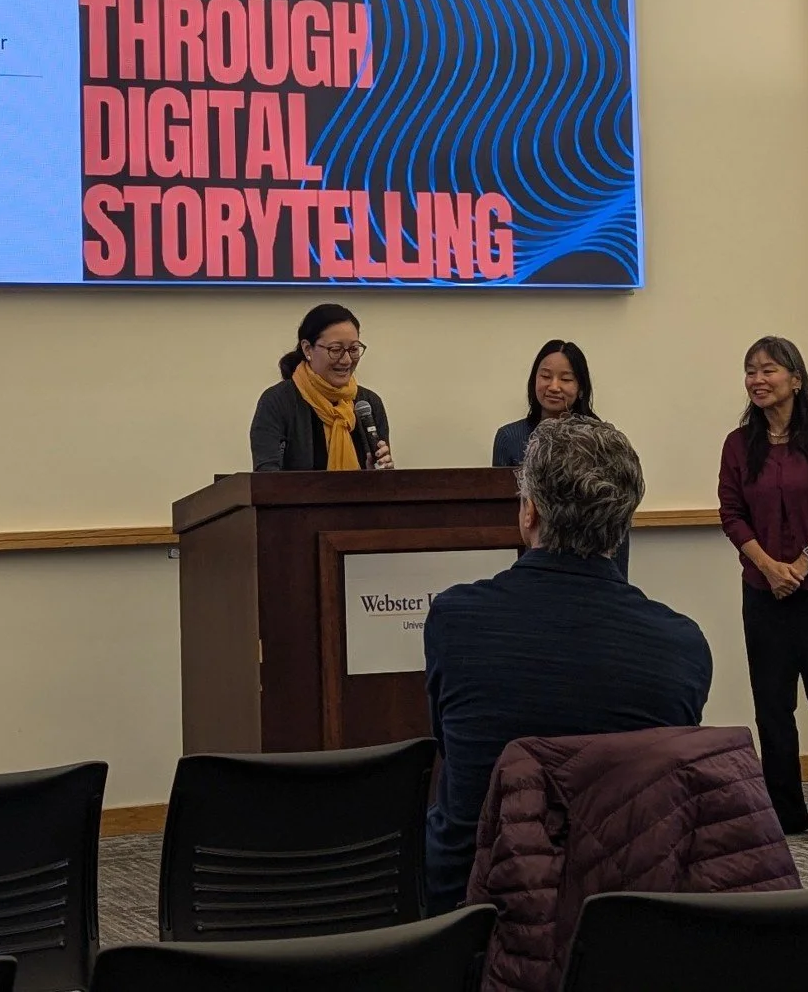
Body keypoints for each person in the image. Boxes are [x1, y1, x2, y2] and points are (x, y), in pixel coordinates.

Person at [423, 418, 712, 912]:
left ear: (530, 512)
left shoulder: (456, 621)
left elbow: (451, 753)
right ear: (623, 525)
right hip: (618, 925)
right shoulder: (682, 647)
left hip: (475, 917)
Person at [717, 335, 808, 845]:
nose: (757, 380)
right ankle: (785, 810)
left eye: (769, 370)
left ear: (796, 379)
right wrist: (767, 565)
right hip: (765, 594)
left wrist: (801, 564)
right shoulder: (739, 445)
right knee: (772, 705)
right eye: (750, 370)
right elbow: (731, 513)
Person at [490, 339, 630, 578]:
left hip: (590, 568)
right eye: (545, 376)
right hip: (529, 567)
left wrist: (617, 581)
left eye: (566, 379)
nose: (554, 386)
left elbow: (616, 513)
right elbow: (500, 514)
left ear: (582, 387)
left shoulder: (602, 441)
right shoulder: (509, 437)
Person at [249, 302, 395, 471]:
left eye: (354, 349)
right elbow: (266, 478)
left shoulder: (368, 403)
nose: (347, 359)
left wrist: (377, 475)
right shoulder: (278, 401)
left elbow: (384, 484)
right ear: (307, 349)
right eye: (335, 349)